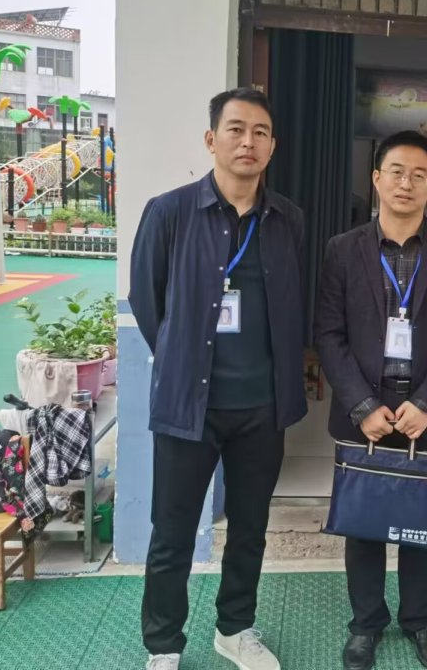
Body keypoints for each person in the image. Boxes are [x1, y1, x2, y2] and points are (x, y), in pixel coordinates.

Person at [129, 87, 307, 670]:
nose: (247, 141)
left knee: (250, 529)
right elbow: (147, 301)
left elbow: (291, 303)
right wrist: (182, 361)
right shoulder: (169, 212)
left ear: (272, 146)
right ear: (212, 139)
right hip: (189, 407)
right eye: (235, 129)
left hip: (262, 407)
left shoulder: (287, 220)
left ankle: (235, 629)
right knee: (172, 532)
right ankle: (163, 645)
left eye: (260, 132)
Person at [315, 130, 427, 670]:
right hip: (364, 411)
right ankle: (365, 624)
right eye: (396, 172)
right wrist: (362, 405)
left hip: (425, 412)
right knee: (362, 522)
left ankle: (420, 621)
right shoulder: (343, 250)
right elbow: (329, 333)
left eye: (418, 174)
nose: (406, 183)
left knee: (419, 524)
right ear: (376, 179)